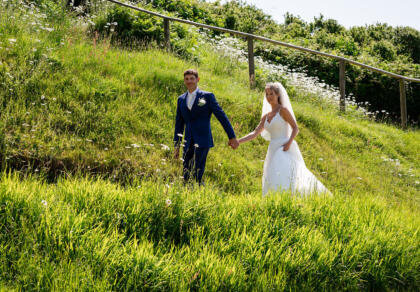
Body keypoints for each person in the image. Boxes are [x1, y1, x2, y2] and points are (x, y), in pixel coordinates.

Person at [238, 82, 330, 196]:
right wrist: (238, 141)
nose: (269, 97)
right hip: (272, 149)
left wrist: (288, 143)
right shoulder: (265, 117)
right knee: (272, 175)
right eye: (267, 94)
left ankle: (292, 198)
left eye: (271, 94)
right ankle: (274, 200)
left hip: (284, 148)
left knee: (287, 175)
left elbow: (295, 128)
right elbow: (254, 133)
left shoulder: (283, 110)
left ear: (277, 95)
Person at [173, 69, 239, 185]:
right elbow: (179, 124)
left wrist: (232, 137)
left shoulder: (207, 97)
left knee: (198, 171)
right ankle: (186, 195)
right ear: (184, 81)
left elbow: (221, 117)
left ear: (197, 80)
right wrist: (177, 145)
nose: (189, 81)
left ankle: (198, 194)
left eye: (192, 79)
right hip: (187, 141)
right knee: (186, 171)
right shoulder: (181, 99)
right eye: (186, 79)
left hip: (202, 139)